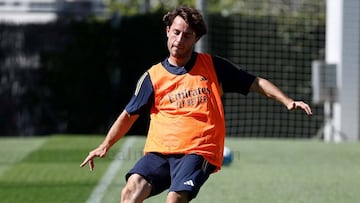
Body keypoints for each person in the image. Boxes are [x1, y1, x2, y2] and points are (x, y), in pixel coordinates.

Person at [80, 5, 312, 203]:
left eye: (187, 35)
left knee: (175, 199)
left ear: (196, 39)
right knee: (131, 189)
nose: (179, 40)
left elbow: (254, 82)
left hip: (198, 150)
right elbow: (129, 114)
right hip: (160, 151)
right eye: (176, 32)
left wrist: (287, 100)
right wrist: (105, 145)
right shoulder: (153, 76)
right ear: (168, 31)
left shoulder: (213, 67)